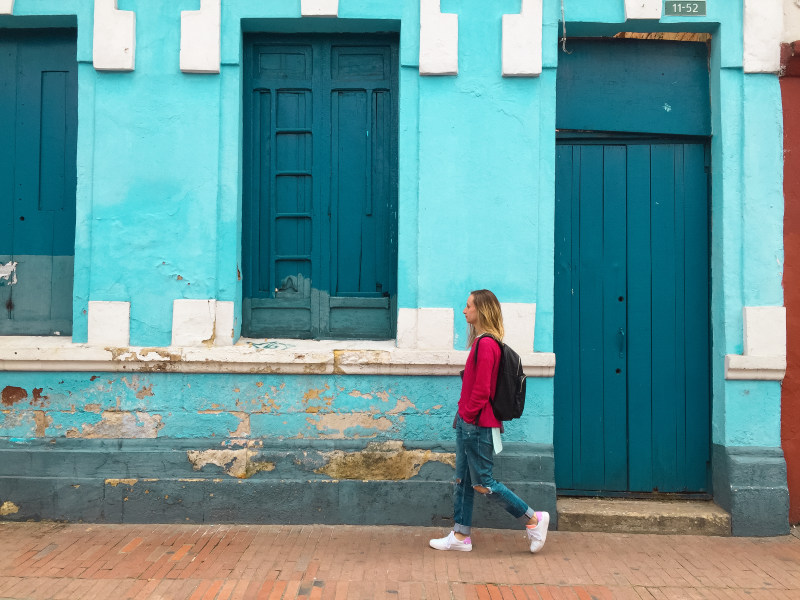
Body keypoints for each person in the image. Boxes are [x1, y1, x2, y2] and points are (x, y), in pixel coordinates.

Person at [429, 289, 550, 553]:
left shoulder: (486, 345)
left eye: (468, 306)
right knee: (463, 480)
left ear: (481, 310)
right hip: (469, 422)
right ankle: (460, 537)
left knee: (484, 483)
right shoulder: (483, 342)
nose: (464, 310)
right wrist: (463, 417)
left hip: (477, 425)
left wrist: (468, 416)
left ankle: (533, 519)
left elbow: (482, 390)